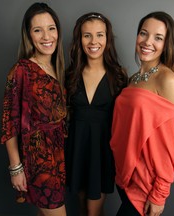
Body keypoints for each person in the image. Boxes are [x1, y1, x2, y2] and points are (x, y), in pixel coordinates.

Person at [110, 11, 174, 216]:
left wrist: (159, 194)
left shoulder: (167, 80)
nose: (148, 42)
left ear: (166, 44)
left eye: (158, 37)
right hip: (124, 179)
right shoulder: (132, 79)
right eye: (143, 33)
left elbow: (170, 147)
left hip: (145, 186)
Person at [0, 3, 67, 216]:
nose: (47, 36)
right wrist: (16, 168)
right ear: (29, 35)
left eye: (51, 28)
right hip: (38, 163)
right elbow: (9, 123)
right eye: (38, 30)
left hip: (59, 159)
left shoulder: (58, 67)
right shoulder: (22, 70)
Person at [65, 12, 128, 216]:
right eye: (87, 35)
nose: (94, 41)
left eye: (100, 35)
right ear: (79, 39)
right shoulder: (70, 74)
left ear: (107, 39)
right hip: (76, 150)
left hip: (102, 153)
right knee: (82, 206)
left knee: (94, 210)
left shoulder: (119, 75)